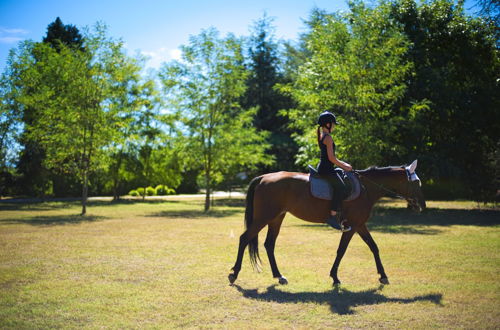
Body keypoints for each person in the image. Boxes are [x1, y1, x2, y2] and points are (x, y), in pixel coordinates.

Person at [316, 111, 352, 232]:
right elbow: (332, 158)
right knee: (340, 187)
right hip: (326, 169)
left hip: (325, 167)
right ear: (327, 124)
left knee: (341, 174)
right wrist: (345, 166)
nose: (334, 126)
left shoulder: (322, 135)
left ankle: (342, 214)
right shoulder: (328, 138)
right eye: (333, 124)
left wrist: (342, 167)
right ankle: (331, 216)